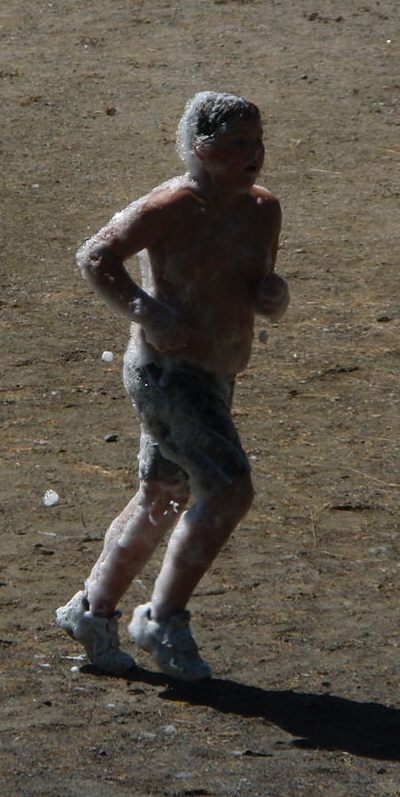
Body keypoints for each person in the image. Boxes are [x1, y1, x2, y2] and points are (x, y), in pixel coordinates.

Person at [56, 91, 289, 682]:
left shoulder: (264, 210)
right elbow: (96, 255)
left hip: (217, 374)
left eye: (256, 142)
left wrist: (273, 296)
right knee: (228, 489)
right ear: (199, 148)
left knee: (163, 493)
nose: (252, 154)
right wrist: (147, 311)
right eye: (236, 144)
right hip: (167, 374)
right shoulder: (177, 205)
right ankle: (163, 619)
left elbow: (258, 285)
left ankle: (92, 611)